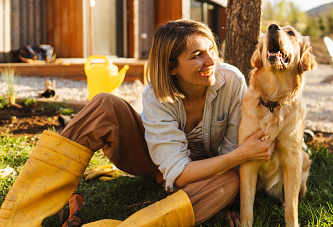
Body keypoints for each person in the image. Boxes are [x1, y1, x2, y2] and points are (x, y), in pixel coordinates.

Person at [0, 19, 274, 227]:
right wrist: (242, 154)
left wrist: (225, 185)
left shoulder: (233, 82)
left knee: (229, 182)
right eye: (197, 55)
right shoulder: (155, 94)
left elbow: (229, 154)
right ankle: (18, 215)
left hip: (209, 174)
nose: (211, 60)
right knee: (104, 104)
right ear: (171, 67)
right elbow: (179, 171)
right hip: (153, 161)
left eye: (211, 49)